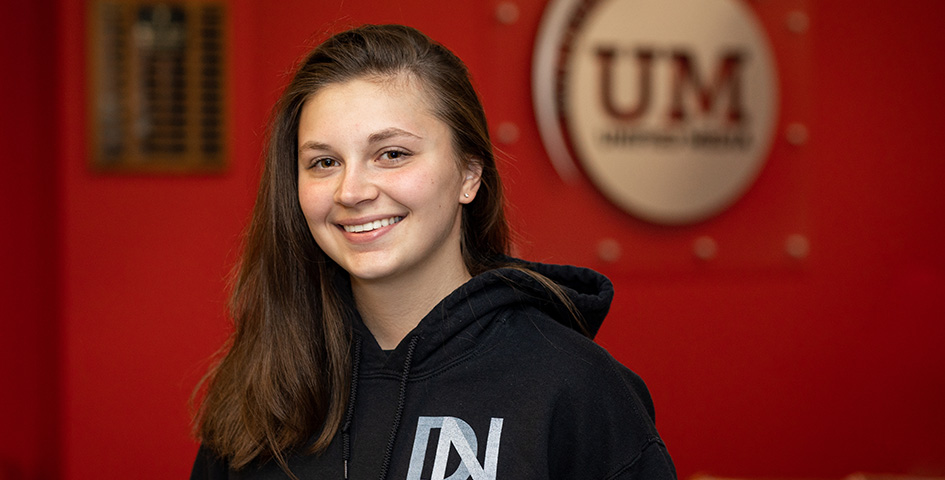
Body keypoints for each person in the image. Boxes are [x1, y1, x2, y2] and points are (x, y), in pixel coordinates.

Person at [190, 24, 676, 480]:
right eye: (324, 162)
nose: (351, 190)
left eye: (392, 154)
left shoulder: (575, 386)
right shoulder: (265, 383)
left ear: (469, 174)